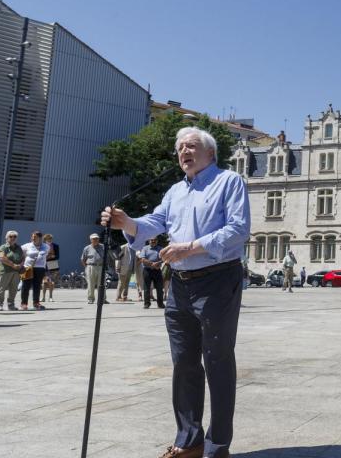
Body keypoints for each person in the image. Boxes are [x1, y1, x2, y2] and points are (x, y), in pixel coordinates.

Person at [102, 126, 250, 458]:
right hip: (180, 285)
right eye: (180, 147)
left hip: (217, 279)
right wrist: (126, 222)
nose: (184, 151)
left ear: (210, 153)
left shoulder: (229, 181)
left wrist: (191, 247)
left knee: (217, 360)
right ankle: (189, 439)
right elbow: (154, 223)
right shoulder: (175, 191)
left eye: (192, 145)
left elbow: (239, 229)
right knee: (183, 362)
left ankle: (217, 446)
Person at [19, 231, 49, 311]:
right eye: (32, 237)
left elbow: (42, 254)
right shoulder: (27, 245)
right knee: (25, 286)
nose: (33, 238)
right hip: (27, 268)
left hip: (40, 268)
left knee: (37, 286)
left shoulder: (45, 246)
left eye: (35, 237)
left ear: (40, 238)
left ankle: (36, 303)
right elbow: (20, 252)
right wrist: (21, 262)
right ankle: (23, 304)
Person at [0, 231, 23, 311]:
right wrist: (13, 265)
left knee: (14, 289)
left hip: (16, 271)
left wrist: (21, 265)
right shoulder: (3, 247)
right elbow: (2, 258)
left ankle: (11, 305)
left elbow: (23, 257)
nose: (13, 238)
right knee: (2, 288)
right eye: (10, 236)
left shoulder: (18, 247)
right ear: (6, 238)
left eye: (15, 236)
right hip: (5, 271)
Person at [81, 233, 109, 305]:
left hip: (101, 267)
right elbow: (83, 259)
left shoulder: (103, 247)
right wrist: (87, 267)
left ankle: (102, 299)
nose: (96, 240)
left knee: (102, 284)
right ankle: (91, 299)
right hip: (91, 267)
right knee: (91, 284)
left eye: (97, 238)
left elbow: (106, 257)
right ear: (91, 240)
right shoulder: (87, 248)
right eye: (94, 239)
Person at [139, 237, 166, 309]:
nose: (153, 241)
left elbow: (164, 258)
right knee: (146, 288)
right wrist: (152, 264)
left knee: (159, 288)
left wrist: (158, 263)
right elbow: (142, 259)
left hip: (157, 270)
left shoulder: (160, 249)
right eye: (152, 240)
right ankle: (147, 304)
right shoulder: (145, 248)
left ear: (157, 241)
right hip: (147, 270)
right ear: (149, 241)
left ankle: (160, 304)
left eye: (155, 240)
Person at [41, 233, 60, 303]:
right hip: (44, 264)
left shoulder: (55, 246)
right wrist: (51, 256)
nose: (50, 240)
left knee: (51, 282)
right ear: (45, 239)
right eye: (48, 239)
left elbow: (57, 256)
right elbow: (41, 256)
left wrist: (48, 256)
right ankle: (43, 297)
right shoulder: (42, 246)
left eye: (51, 238)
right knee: (45, 282)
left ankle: (51, 297)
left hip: (53, 264)